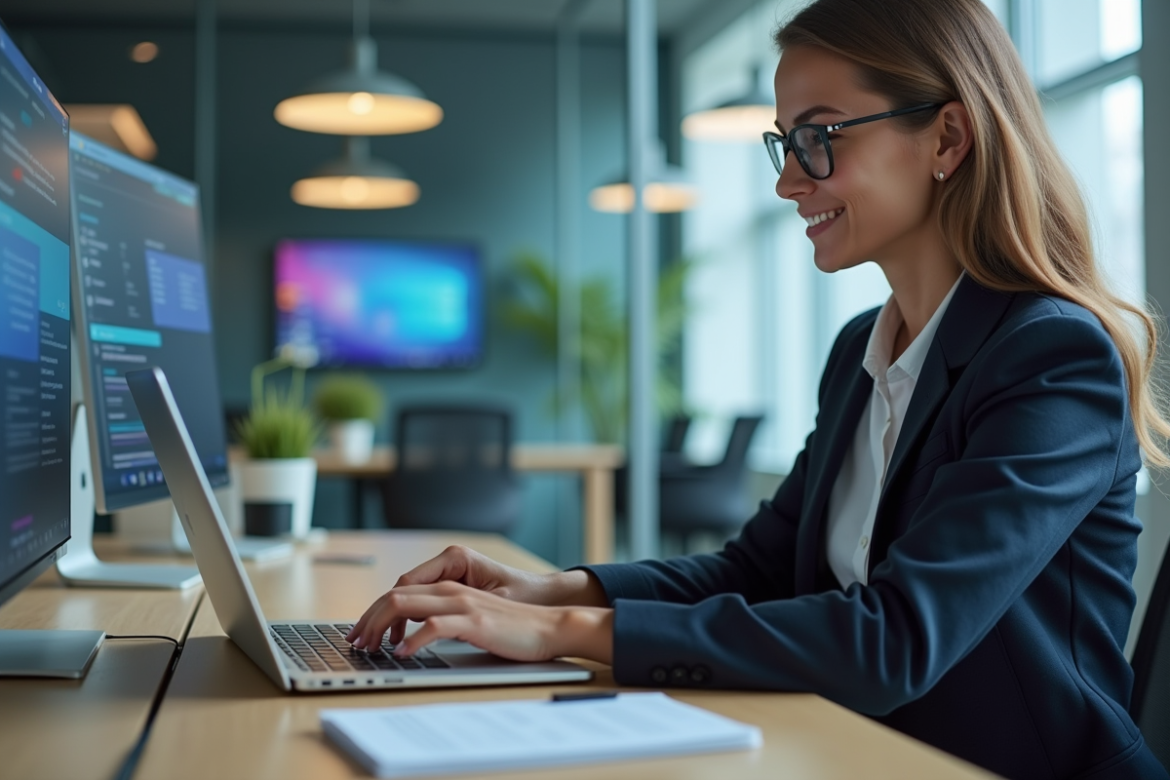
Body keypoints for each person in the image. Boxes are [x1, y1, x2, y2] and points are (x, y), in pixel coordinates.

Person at [346, 0, 1170, 777]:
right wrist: (554, 588)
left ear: (948, 137)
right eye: (785, 145)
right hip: (852, 752)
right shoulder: (861, 351)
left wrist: (560, 631)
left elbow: (894, 642)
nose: (788, 183)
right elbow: (758, 570)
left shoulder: (1052, 357)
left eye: (819, 138)